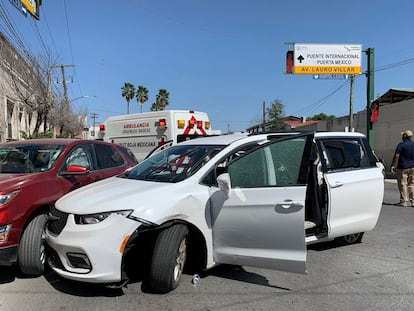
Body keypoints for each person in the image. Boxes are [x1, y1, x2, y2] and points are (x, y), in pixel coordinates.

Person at [390, 130, 414, 207]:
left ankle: (404, 201)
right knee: (412, 184)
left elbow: (396, 155)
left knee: (403, 184)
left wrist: (393, 165)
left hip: (403, 167)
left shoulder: (401, 145)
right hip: (413, 167)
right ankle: (413, 201)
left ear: (404, 136)